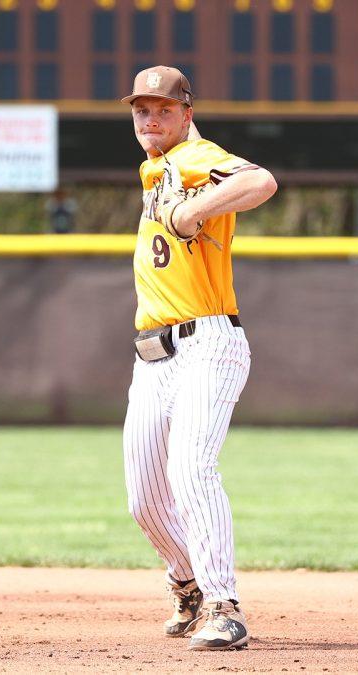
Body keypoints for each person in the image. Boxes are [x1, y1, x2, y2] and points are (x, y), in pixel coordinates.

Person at [120, 65, 277, 652]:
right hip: (154, 355)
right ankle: (187, 584)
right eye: (141, 109)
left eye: (162, 108)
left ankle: (222, 604)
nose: (151, 118)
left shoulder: (193, 155)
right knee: (144, 497)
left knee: (190, 471)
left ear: (186, 112)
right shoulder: (155, 167)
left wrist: (193, 212)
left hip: (206, 342)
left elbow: (260, 181)